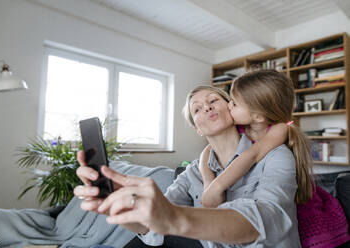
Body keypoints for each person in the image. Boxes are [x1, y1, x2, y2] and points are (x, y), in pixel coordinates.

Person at [74, 71, 312, 247]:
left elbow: (268, 218)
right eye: (197, 109)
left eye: (213, 101)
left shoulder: (276, 155)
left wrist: (176, 218)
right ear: (197, 129)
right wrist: (124, 208)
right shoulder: (194, 174)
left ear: (232, 108)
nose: (206, 108)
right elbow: (149, 227)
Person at [199, 69, 312, 208]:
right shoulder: (241, 125)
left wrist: (216, 187)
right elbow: (209, 149)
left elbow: (253, 155)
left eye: (234, 103)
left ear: (258, 117)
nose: (229, 105)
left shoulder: (281, 129)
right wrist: (207, 183)